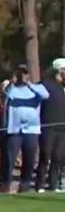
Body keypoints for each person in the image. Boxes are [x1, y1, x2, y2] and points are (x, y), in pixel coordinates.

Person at [3, 65, 50, 192]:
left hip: (32, 130)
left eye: (25, 73)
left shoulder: (37, 88)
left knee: (29, 160)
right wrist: (12, 82)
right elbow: (5, 95)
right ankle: (5, 185)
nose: (23, 75)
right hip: (15, 129)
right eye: (21, 73)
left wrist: (28, 83)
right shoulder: (12, 88)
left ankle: (24, 186)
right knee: (9, 159)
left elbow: (46, 95)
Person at [36, 57, 65, 192]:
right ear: (59, 71)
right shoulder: (45, 85)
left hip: (62, 128)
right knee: (45, 156)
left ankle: (53, 185)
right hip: (48, 127)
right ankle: (39, 185)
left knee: (57, 158)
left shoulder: (62, 87)